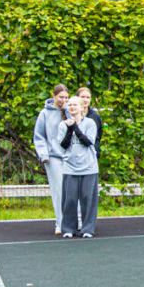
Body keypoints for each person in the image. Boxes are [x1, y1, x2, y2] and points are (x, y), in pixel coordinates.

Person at [57, 90, 100, 239]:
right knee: (69, 200)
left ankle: (88, 228)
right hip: (70, 167)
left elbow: (88, 141)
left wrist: (74, 127)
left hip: (89, 167)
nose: (72, 107)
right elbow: (64, 144)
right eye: (70, 105)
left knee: (88, 199)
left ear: (82, 107)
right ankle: (68, 228)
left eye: (75, 105)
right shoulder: (62, 125)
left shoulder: (90, 123)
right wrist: (69, 128)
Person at [32, 84, 69, 235]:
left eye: (66, 97)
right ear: (54, 96)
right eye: (61, 97)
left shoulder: (70, 111)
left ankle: (75, 222)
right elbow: (39, 136)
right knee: (59, 191)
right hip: (53, 158)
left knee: (73, 191)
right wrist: (44, 155)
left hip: (71, 158)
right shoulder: (44, 114)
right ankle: (60, 223)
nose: (63, 100)